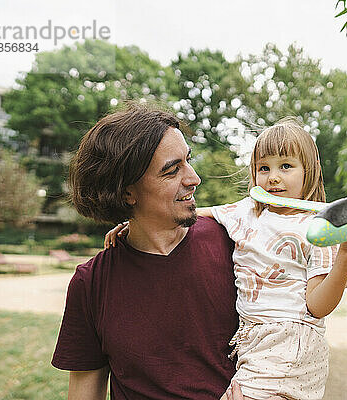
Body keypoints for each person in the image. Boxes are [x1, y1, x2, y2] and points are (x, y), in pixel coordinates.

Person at [105, 118, 347, 399]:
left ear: (308, 172)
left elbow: (318, 306)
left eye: (286, 166)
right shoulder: (244, 212)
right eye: (264, 168)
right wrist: (134, 224)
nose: (273, 176)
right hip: (251, 337)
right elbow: (191, 215)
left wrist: (344, 262)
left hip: (290, 340)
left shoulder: (315, 227)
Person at [52, 103, 240, 399]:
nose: (193, 178)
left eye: (188, 161)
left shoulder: (236, 246)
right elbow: (84, 390)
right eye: (172, 170)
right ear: (126, 192)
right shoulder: (91, 283)